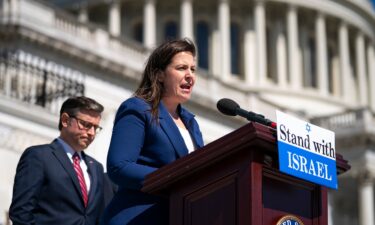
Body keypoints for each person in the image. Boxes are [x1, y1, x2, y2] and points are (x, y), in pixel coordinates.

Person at [101, 38, 204, 225]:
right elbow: (119, 167)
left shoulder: (191, 123)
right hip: (138, 219)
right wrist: (175, 178)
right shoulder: (138, 109)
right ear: (159, 75)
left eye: (193, 69)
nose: (190, 76)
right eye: (181, 68)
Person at [9, 96, 105, 225]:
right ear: (65, 120)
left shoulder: (96, 168)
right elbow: (21, 212)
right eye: (86, 125)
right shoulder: (39, 156)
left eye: (96, 128)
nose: (92, 133)